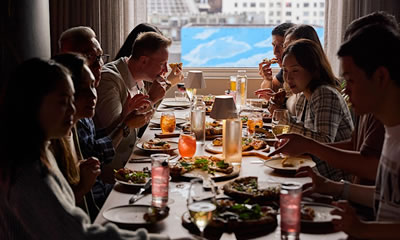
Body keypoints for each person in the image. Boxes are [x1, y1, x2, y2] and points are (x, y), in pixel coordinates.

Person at [0, 58, 169, 240]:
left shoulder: (40, 151)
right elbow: (79, 235)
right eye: (64, 101)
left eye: (73, 99)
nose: (73, 109)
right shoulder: (29, 173)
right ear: (32, 103)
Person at [296, 24, 400, 239]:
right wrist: (331, 187)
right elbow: (387, 196)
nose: (345, 89)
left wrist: (363, 229)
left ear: (380, 77)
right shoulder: (391, 130)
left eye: (351, 80)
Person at [269, 12, 398, 185]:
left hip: (338, 181)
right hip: (340, 187)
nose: (345, 90)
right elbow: (355, 146)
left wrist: (309, 146)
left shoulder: (385, 118)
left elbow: (373, 167)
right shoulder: (374, 112)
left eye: (351, 80)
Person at [58, 27, 152, 204]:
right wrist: (125, 125)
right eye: (94, 59)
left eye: (101, 57)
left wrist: (124, 119)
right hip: (99, 197)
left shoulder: (83, 105)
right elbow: (96, 155)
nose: (100, 65)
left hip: (103, 188)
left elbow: (96, 140)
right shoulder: (72, 111)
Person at [95, 32, 171, 177]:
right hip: (114, 170)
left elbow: (138, 123)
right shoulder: (109, 80)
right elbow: (115, 134)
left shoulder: (137, 78)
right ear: (143, 61)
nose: (166, 70)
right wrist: (151, 99)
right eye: (162, 64)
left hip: (133, 159)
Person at [279, 39, 354, 181]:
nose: (288, 77)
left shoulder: (325, 93)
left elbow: (324, 141)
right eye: (285, 70)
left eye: (295, 70)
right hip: (315, 173)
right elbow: (307, 136)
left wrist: (286, 122)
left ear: (313, 69)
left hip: (336, 181)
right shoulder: (303, 97)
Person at [258, 22, 295, 94]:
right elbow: (270, 92)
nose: (275, 52)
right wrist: (267, 79)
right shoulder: (285, 70)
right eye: (274, 45)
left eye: (281, 45)